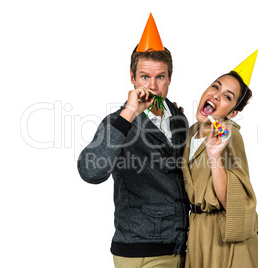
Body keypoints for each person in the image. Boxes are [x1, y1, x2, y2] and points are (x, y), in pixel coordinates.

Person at [77, 13, 189, 268]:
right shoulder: (118, 122)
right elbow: (91, 172)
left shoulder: (179, 119)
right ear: (132, 77)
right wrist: (129, 113)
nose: (152, 86)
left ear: (170, 77)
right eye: (144, 77)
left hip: (182, 247)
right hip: (140, 250)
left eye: (160, 77)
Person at [182, 50, 258, 268]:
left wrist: (214, 157)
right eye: (215, 86)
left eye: (228, 97)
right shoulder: (190, 132)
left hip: (227, 243)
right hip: (199, 237)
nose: (217, 95)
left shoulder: (228, 134)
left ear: (231, 113)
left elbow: (233, 200)